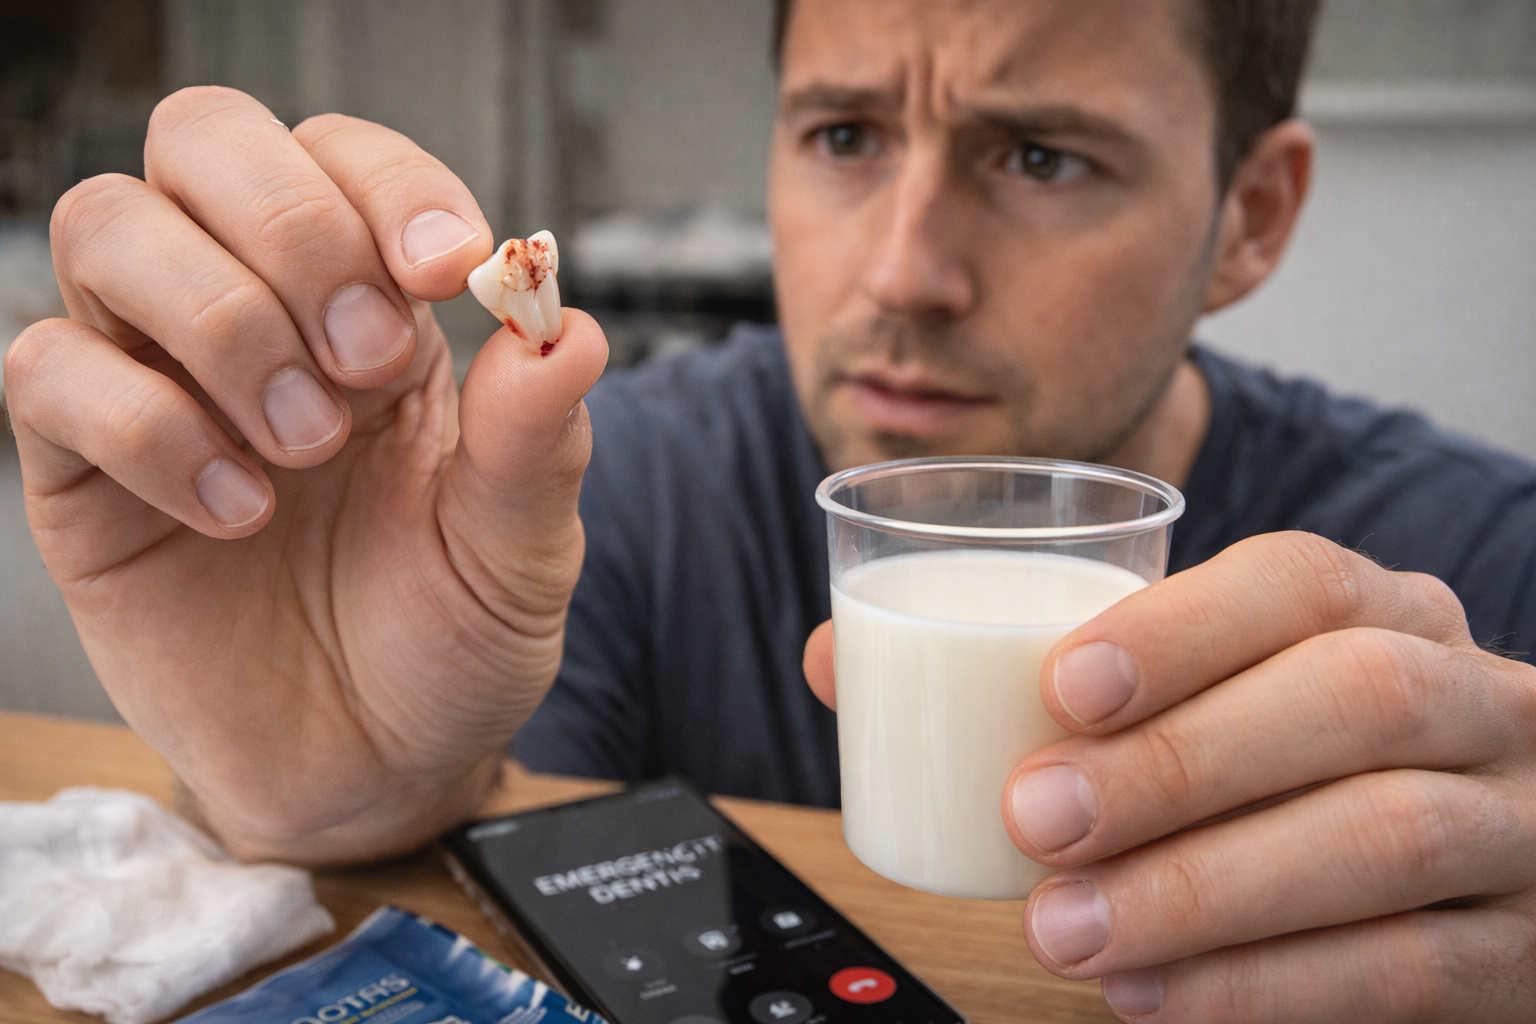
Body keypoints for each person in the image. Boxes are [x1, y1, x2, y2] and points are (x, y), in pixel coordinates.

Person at [6, 0, 1535, 1018]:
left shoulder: (1472, 570)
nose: (900, 272)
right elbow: (464, 886)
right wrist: (329, 790)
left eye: (1043, 156)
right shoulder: (595, 490)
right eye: (846, 137)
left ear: (1248, 218)